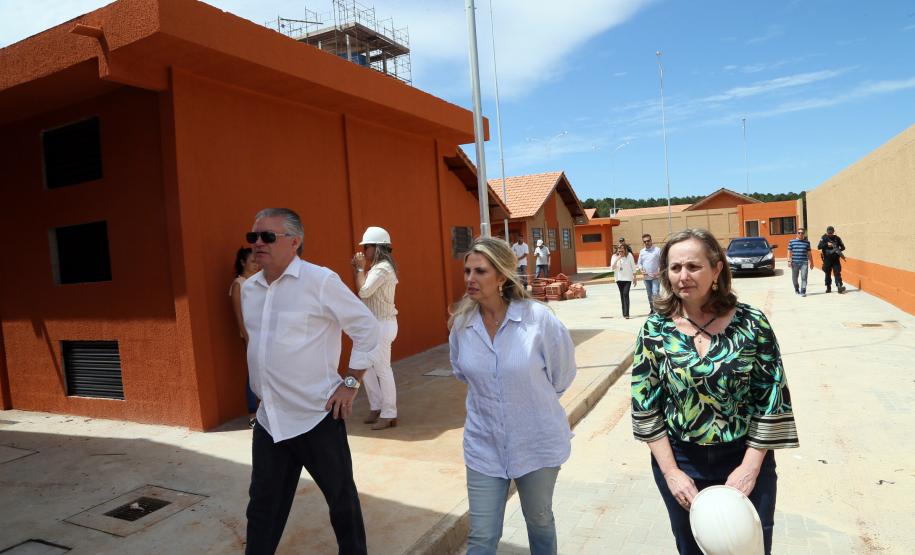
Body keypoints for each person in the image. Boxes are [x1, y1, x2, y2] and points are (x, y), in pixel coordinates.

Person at [630, 228, 799, 555]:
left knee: (749, 547)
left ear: (717, 269)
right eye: (675, 268)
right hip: (682, 461)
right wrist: (672, 473)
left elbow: (772, 398)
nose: (683, 276)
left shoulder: (752, 323)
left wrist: (750, 469)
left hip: (745, 455)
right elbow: (645, 406)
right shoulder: (655, 329)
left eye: (693, 267)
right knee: (692, 548)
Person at [242, 208, 379, 555]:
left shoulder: (320, 281)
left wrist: (350, 383)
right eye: (253, 237)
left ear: (294, 241)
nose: (258, 243)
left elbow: (367, 329)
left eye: (267, 237)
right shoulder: (250, 290)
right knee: (261, 508)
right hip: (270, 420)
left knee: (341, 502)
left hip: (316, 416)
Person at [448, 237, 576, 555]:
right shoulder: (462, 326)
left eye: (480, 271)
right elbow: (463, 372)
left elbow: (562, 376)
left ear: (502, 276)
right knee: (482, 536)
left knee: (540, 521)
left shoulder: (538, 320)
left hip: (536, 443)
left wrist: (527, 402)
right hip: (483, 444)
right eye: (467, 271)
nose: (470, 279)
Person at [351, 226, 399, 431]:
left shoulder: (381, 269)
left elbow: (364, 291)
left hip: (381, 325)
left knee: (381, 369)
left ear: (376, 248)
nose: (364, 251)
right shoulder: (380, 267)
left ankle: (389, 413)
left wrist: (360, 270)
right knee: (366, 367)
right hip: (375, 325)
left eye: (367, 246)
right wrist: (361, 270)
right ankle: (377, 406)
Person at [230, 247, 261, 427]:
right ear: (243, 263)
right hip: (250, 335)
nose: (256, 265)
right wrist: (247, 337)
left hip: (264, 332)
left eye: (257, 261)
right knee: (253, 373)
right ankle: (252, 414)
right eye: (252, 261)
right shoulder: (238, 284)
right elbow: (238, 315)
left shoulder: (258, 281)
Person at [611, 242, 638, 319]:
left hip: (627, 279)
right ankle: (624, 313)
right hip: (619, 279)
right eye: (619, 250)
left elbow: (633, 266)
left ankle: (627, 313)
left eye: (622, 251)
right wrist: (617, 259)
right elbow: (612, 268)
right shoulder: (614, 256)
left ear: (625, 250)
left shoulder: (629, 256)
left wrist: (635, 277)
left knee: (625, 294)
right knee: (622, 295)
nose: (620, 252)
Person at [817, 225, 846, 294]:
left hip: (835, 259)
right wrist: (827, 244)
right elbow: (819, 247)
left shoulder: (837, 238)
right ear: (827, 232)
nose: (830, 234)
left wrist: (837, 250)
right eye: (829, 233)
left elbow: (843, 247)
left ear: (833, 232)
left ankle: (839, 286)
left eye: (831, 233)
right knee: (827, 273)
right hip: (827, 259)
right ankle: (828, 287)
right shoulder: (824, 238)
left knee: (837, 273)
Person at [637, 234, 662, 312]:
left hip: (656, 277)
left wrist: (659, 271)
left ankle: (657, 310)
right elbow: (639, 263)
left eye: (648, 241)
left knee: (655, 293)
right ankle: (652, 309)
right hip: (646, 277)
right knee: (649, 295)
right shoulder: (642, 252)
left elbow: (662, 262)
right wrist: (641, 270)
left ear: (651, 241)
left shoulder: (657, 250)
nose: (646, 242)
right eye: (645, 241)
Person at [787, 227, 814, 297]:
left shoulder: (807, 243)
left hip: (804, 262)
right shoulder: (792, 241)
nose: (800, 234)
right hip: (794, 262)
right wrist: (789, 261)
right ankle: (796, 288)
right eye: (799, 233)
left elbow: (809, 254)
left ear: (804, 234)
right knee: (794, 278)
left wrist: (812, 262)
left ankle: (803, 291)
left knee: (804, 277)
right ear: (797, 233)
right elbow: (789, 252)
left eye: (802, 233)